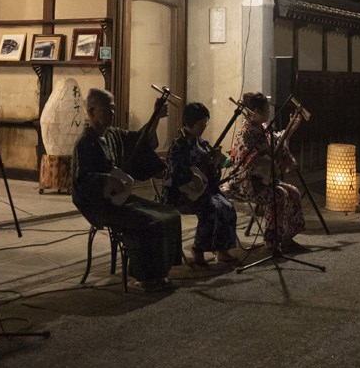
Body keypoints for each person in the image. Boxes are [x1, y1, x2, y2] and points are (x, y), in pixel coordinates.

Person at [71, 88, 183, 291]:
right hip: (100, 204)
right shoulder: (85, 143)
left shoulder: (114, 134)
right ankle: (142, 277)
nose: (112, 113)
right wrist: (105, 180)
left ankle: (159, 273)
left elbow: (139, 141)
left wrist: (156, 117)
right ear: (92, 111)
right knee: (148, 222)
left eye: (113, 108)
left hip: (120, 199)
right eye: (107, 109)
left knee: (170, 214)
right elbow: (81, 180)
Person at [230, 92, 306, 251]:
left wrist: (291, 127)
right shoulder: (246, 132)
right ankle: (272, 240)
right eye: (266, 109)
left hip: (264, 179)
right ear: (256, 111)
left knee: (293, 192)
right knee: (278, 196)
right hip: (248, 182)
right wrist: (268, 156)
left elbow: (277, 140)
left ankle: (286, 237)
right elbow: (252, 159)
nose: (269, 112)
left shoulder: (262, 128)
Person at [166, 102, 237, 267]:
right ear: (189, 123)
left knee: (227, 206)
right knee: (212, 208)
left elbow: (212, 176)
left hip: (204, 190)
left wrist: (216, 162)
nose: (204, 127)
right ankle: (198, 249)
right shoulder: (178, 145)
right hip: (182, 193)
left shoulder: (202, 143)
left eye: (205, 123)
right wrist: (196, 172)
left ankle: (222, 249)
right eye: (200, 124)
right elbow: (176, 174)